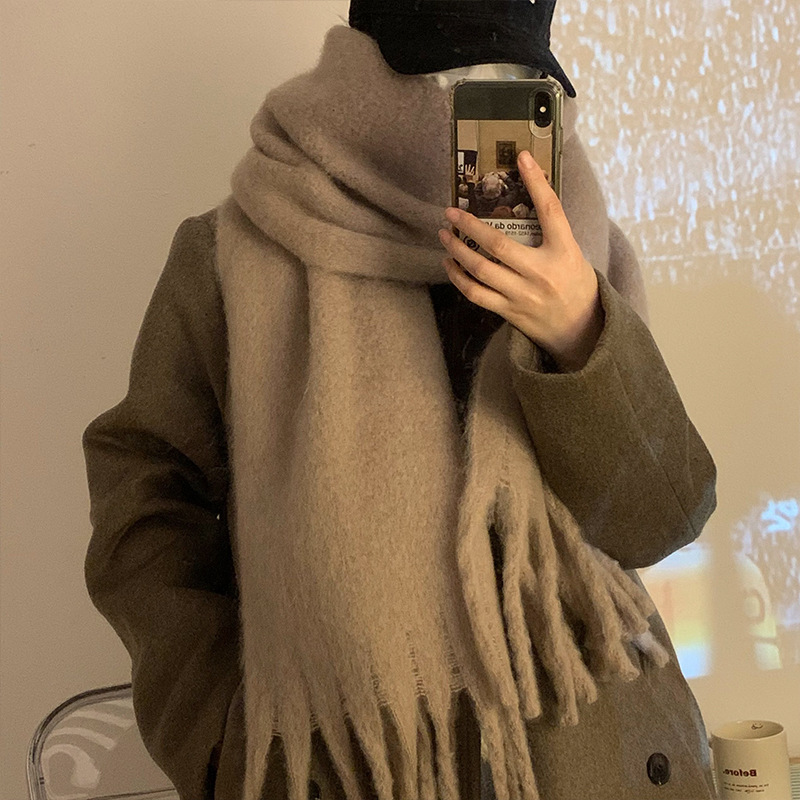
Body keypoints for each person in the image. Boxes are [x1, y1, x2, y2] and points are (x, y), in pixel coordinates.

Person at [82, 2, 718, 799]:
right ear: (368, 73)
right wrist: (223, 737)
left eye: (521, 79)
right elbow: (143, 506)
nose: (485, 107)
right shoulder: (234, 253)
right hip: (355, 765)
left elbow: (664, 520)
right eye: (456, 76)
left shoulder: (582, 250)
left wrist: (580, 333)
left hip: (598, 758)